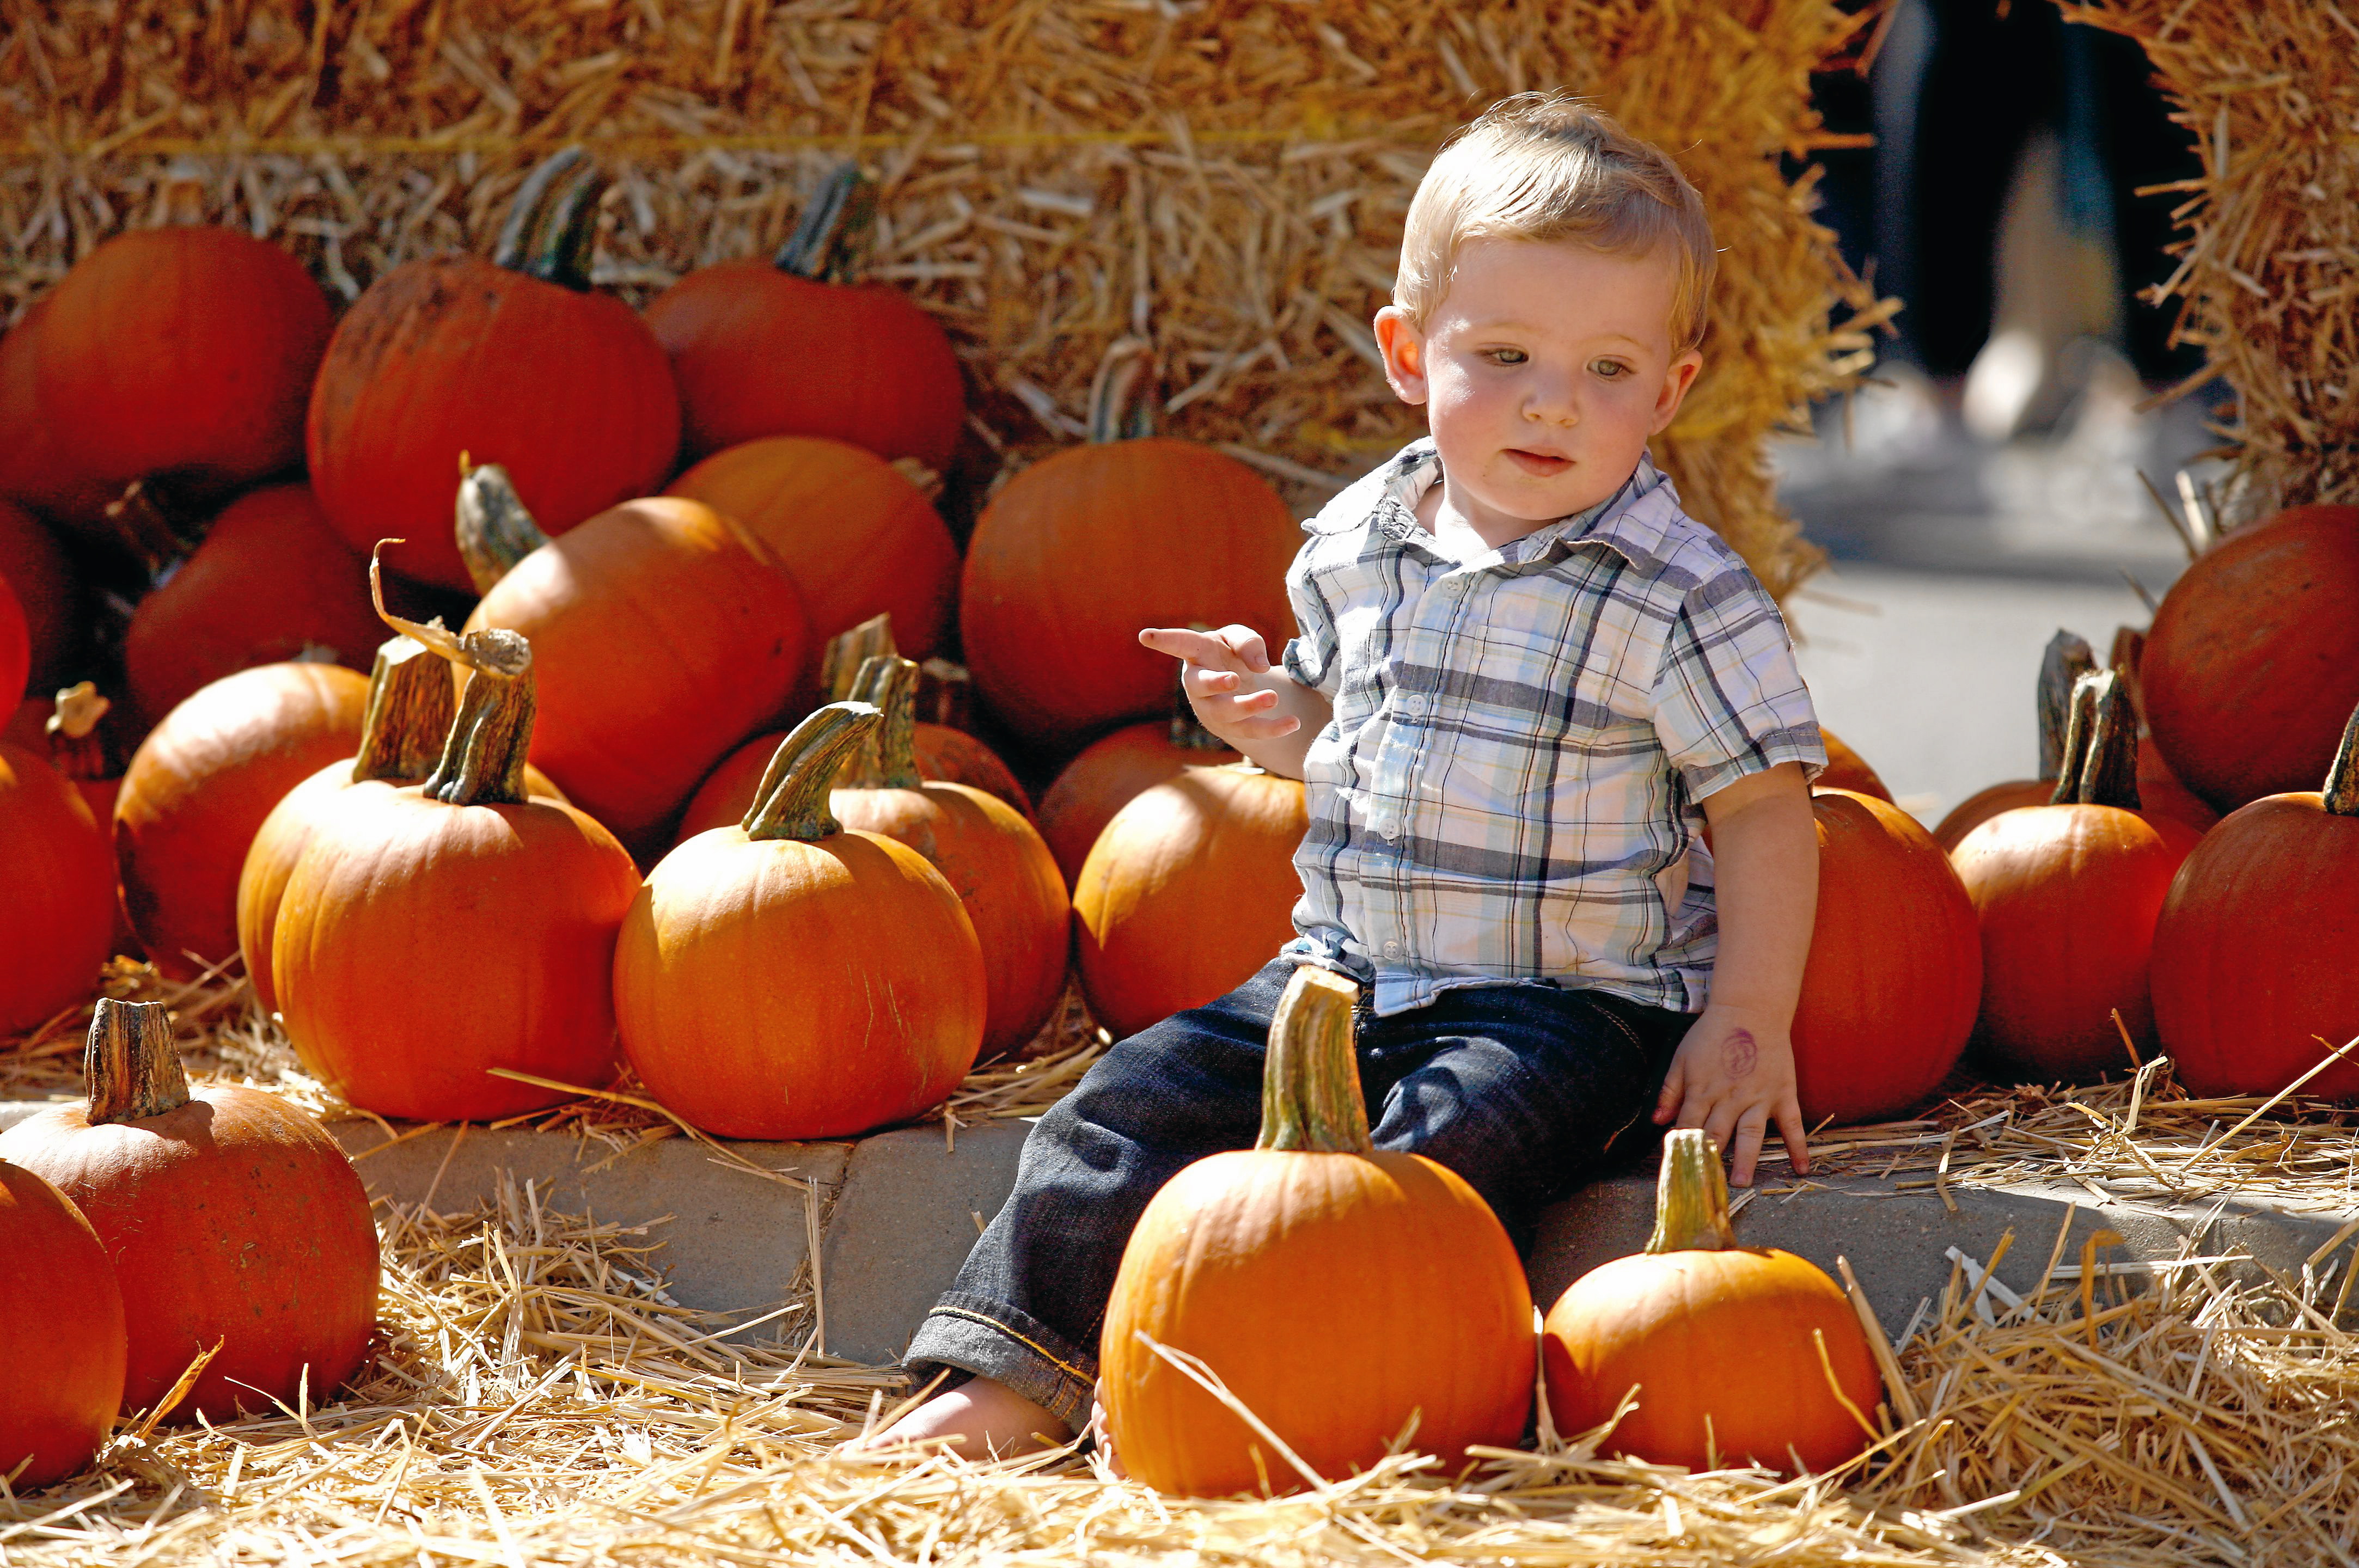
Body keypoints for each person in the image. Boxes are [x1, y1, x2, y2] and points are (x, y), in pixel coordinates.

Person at [858, 93, 1825, 1460]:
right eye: (1505, 354)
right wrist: (1276, 716)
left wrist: (1747, 1016)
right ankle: (1014, 1382)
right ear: (1406, 353)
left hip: (1562, 1004)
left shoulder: (1679, 598)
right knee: (1117, 1111)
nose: (1556, 400)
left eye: (1610, 370)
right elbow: (1351, 744)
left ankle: (1292, 1390)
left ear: (1673, 391)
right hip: (1339, 975)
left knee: (1437, 1155)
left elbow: (1767, 813)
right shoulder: (1358, 541)